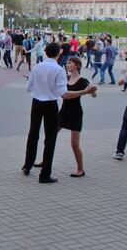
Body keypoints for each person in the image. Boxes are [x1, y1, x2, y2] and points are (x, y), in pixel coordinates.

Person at [22, 42, 96, 183]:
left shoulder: (37, 67)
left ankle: (27, 165)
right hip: (50, 104)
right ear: (58, 53)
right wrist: (84, 92)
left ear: (45, 52)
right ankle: (44, 174)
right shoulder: (58, 70)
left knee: (33, 134)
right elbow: (63, 94)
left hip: (36, 103)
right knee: (50, 139)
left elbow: (28, 88)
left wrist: (40, 86)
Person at [58, 57, 95, 178]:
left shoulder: (82, 80)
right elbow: (62, 94)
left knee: (74, 144)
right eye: (67, 62)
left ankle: (80, 169)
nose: (67, 64)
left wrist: (92, 90)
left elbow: (93, 94)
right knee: (50, 135)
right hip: (64, 111)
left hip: (75, 113)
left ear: (77, 66)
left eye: (70, 63)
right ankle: (45, 160)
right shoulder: (66, 78)